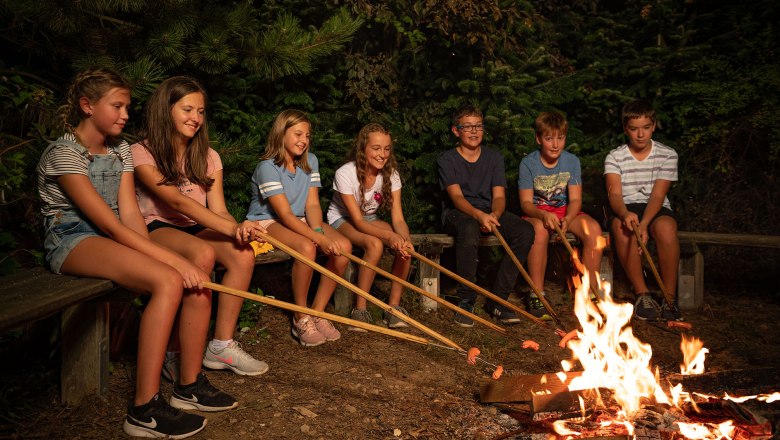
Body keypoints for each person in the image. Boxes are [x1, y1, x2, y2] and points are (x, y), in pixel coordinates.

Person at [37, 68, 237, 439]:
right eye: (117, 106)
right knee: (168, 278)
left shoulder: (120, 153)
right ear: (87, 106)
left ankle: (188, 383)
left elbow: (129, 216)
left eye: (127, 106)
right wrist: (171, 260)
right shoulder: (64, 154)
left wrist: (172, 257)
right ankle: (143, 409)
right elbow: (107, 224)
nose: (126, 114)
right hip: (73, 239)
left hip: (115, 237)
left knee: (190, 273)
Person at [131, 76, 269, 378]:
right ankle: (173, 350)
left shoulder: (209, 156)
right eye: (187, 109)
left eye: (201, 112)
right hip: (157, 227)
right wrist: (231, 229)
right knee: (203, 252)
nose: (196, 118)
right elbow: (177, 203)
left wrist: (239, 230)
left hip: (195, 226)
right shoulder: (141, 152)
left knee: (243, 254)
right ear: (165, 110)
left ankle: (221, 345)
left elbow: (218, 210)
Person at [247, 109, 352, 346]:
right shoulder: (267, 167)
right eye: (297, 134)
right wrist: (317, 240)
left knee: (344, 246)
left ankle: (318, 312)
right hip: (268, 220)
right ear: (281, 133)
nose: (303, 140)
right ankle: (300, 315)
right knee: (306, 248)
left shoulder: (310, 161)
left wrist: (318, 232)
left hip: (300, 218)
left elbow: (313, 204)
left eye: (307, 135)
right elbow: (283, 214)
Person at [438, 104, 535, 327]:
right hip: (458, 214)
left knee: (524, 230)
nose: (474, 131)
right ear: (456, 131)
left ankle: (498, 301)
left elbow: (499, 196)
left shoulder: (493, 158)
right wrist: (479, 215)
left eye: (478, 126)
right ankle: (466, 300)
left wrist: (494, 214)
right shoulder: (447, 159)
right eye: (467, 127)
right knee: (469, 227)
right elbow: (457, 198)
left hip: (489, 212)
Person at [326, 123, 414, 327]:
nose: (382, 154)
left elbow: (398, 219)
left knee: (405, 246)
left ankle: (393, 307)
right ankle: (360, 308)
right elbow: (357, 220)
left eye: (387, 148)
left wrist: (403, 239)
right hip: (343, 219)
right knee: (375, 245)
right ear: (363, 148)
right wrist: (389, 237)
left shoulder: (390, 174)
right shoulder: (345, 173)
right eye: (376, 148)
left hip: (369, 219)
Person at [518, 111, 604, 318]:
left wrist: (569, 218)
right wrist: (542, 215)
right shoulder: (528, 164)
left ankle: (590, 290)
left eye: (560, 138)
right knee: (538, 232)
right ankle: (537, 293)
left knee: (593, 229)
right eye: (549, 139)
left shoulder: (571, 161)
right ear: (539, 139)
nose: (555, 144)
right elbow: (526, 204)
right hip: (538, 213)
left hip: (565, 212)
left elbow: (575, 200)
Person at [604, 99, 683, 321]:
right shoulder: (614, 157)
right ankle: (642, 294)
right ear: (625, 129)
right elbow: (615, 195)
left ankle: (669, 297)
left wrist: (645, 224)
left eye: (646, 128)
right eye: (634, 129)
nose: (640, 135)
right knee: (621, 228)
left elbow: (658, 195)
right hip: (627, 206)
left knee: (666, 229)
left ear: (654, 126)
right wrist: (625, 214)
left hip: (655, 207)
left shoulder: (668, 155)